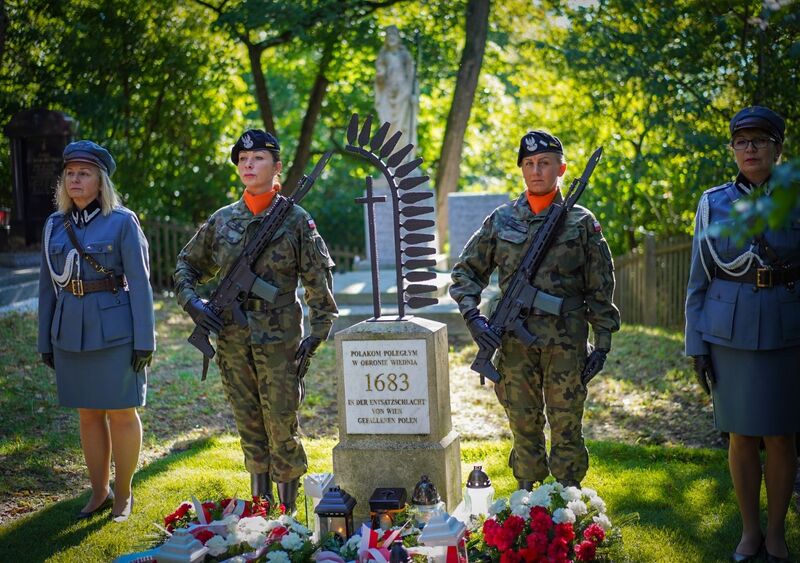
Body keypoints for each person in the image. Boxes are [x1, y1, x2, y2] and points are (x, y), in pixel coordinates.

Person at [174, 129, 337, 512]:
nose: (248, 164)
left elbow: (317, 278)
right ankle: (260, 512)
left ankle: (288, 516)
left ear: (277, 168)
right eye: (243, 160)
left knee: (282, 425)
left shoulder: (296, 220)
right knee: (249, 425)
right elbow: (185, 265)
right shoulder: (223, 220)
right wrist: (193, 304)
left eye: (258, 158)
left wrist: (318, 332)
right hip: (232, 338)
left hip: (279, 340)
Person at [450, 130, 620, 490]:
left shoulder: (581, 222)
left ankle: (570, 503)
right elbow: (465, 272)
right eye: (529, 164)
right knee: (523, 425)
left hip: (566, 343)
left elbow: (600, 286)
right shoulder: (501, 220)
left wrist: (602, 342)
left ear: (561, 167)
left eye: (544, 163)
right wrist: (473, 317)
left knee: (566, 424)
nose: (536, 170)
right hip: (514, 344)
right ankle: (526, 502)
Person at [685, 106, 799, 563]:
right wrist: (696, 345)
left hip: (787, 330)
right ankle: (749, 531)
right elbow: (698, 280)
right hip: (727, 334)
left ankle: (776, 533)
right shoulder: (714, 203)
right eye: (741, 142)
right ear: (732, 149)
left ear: (777, 147)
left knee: (782, 437)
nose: (749, 149)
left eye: (759, 140)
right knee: (740, 437)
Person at [37, 140, 155, 522]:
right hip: (69, 330)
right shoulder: (54, 226)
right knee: (88, 414)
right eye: (70, 173)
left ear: (100, 180)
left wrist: (145, 340)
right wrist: (45, 339)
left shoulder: (122, 222)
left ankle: (124, 495)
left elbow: (140, 284)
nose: (75, 179)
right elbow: (46, 286)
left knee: (121, 412)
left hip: (115, 332)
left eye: (83, 173)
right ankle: (99, 491)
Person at [375, 25, 417, 150]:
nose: (391, 38)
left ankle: (403, 158)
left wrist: (414, 94)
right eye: (389, 36)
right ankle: (390, 157)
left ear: (398, 38)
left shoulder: (405, 55)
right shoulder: (383, 56)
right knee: (387, 125)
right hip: (387, 94)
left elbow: (412, 76)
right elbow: (379, 77)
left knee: (402, 126)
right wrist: (380, 76)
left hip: (403, 93)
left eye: (394, 35)